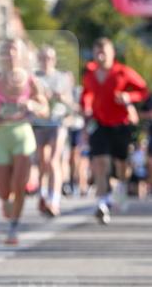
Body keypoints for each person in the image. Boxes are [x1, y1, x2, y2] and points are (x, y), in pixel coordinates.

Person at [0, 39, 48, 245]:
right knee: (2, 188)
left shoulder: (30, 80)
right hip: (1, 135)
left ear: (21, 54)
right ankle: (5, 202)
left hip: (22, 133)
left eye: (14, 50)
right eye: (6, 50)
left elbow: (45, 109)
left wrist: (32, 105)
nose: (10, 54)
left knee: (20, 184)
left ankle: (13, 227)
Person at [81, 37, 149, 223]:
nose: (100, 53)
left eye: (103, 49)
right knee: (100, 163)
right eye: (97, 50)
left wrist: (129, 96)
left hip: (121, 124)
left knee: (122, 168)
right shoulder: (90, 74)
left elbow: (143, 91)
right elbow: (86, 94)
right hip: (99, 124)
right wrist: (86, 106)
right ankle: (102, 204)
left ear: (112, 53)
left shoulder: (123, 72)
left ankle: (118, 192)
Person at [32, 45, 74, 217]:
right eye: (43, 58)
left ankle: (54, 201)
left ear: (54, 60)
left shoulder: (62, 77)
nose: (46, 61)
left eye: (49, 58)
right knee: (42, 161)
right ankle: (42, 195)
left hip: (58, 122)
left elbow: (71, 103)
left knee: (54, 160)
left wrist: (61, 97)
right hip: (40, 122)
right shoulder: (34, 77)